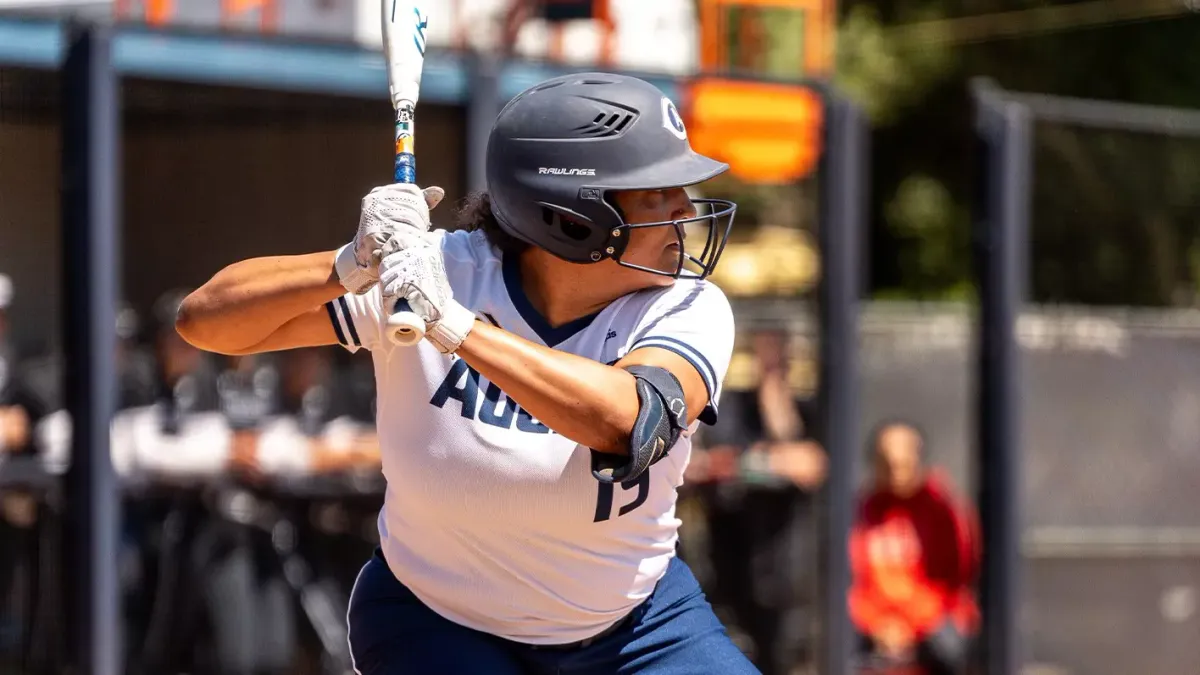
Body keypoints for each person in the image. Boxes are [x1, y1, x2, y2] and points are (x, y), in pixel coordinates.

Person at [176, 72, 754, 674]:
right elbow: (206, 323)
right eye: (657, 192)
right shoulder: (441, 271)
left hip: (633, 626)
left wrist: (453, 325)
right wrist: (352, 262)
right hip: (438, 623)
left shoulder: (685, 304)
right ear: (575, 218)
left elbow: (625, 420)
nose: (686, 209)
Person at [685, 328, 825, 675]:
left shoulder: (805, 405)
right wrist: (737, 463)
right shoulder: (727, 405)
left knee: (780, 656)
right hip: (724, 558)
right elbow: (692, 463)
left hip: (782, 567)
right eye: (760, 355)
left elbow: (807, 463)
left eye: (776, 356)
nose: (766, 363)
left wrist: (774, 389)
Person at [849, 421, 980, 675]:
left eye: (902, 463)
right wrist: (877, 622)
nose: (895, 473)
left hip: (929, 626)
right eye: (886, 464)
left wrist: (910, 624)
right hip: (875, 627)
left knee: (953, 643)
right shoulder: (860, 511)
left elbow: (954, 584)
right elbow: (851, 581)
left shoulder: (944, 510)